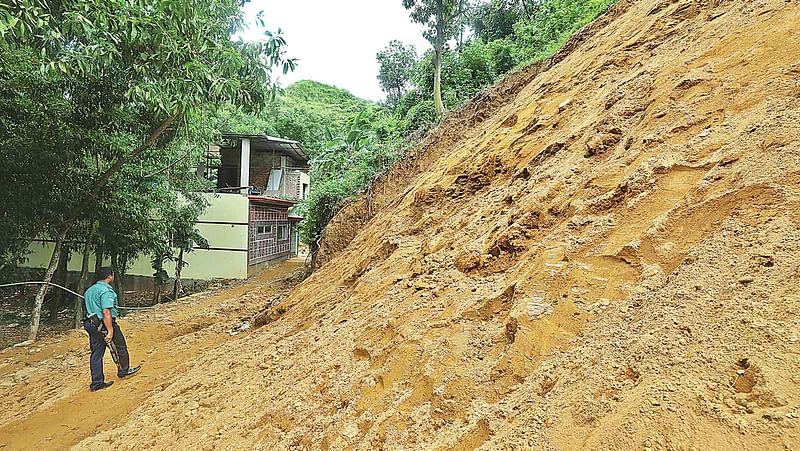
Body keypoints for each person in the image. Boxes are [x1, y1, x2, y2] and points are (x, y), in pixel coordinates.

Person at [83, 267, 141, 391]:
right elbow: (106, 311)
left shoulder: (90, 290)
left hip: (90, 324)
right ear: (109, 276)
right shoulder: (106, 291)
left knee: (96, 353)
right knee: (120, 346)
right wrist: (110, 330)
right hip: (103, 323)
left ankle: (97, 383)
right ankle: (124, 370)